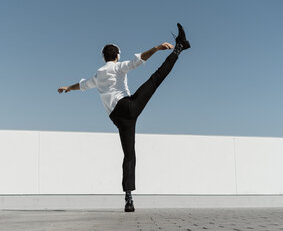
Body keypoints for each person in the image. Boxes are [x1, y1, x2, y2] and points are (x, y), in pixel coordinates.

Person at [58, 23, 190, 212]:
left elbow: (84, 85)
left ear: (104, 57)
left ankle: (129, 198)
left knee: (129, 155)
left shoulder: (98, 74)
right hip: (128, 106)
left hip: (118, 118)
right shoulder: (119, 67)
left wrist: (69, 88)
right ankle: (179, 47)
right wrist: (157, 47)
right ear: (117, 55)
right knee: (156, 78)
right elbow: (138, 60)